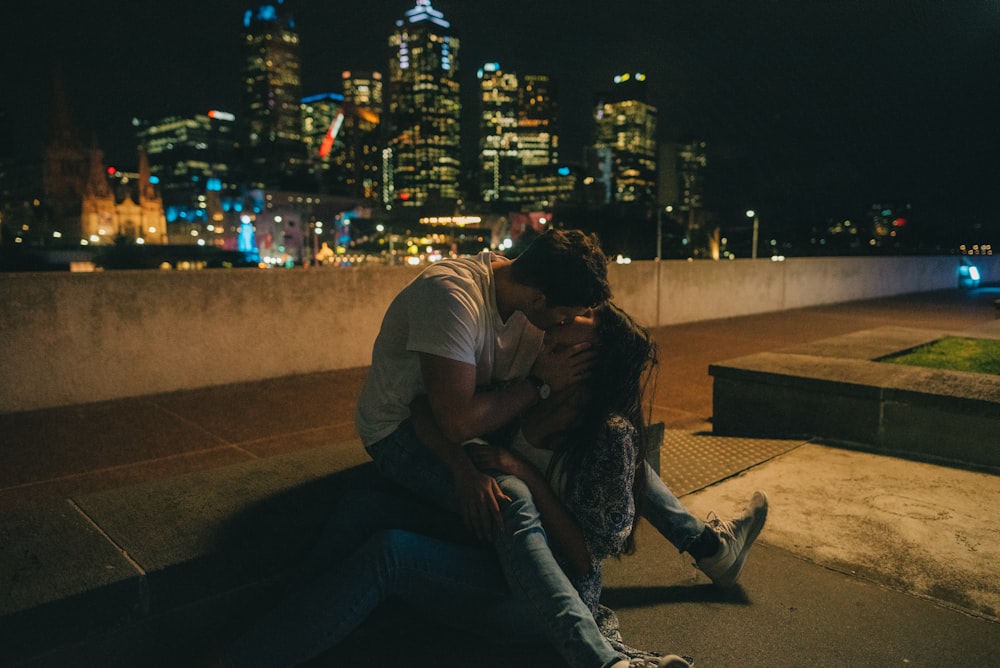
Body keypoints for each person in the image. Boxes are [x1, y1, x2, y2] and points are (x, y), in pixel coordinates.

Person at [224, 302, 692, 668]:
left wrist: (523, 472)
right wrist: (465, 471)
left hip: (542, 597)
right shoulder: (532, 392)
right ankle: (293, 623)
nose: (572, 315)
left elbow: (585, 558)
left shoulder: (609, 437)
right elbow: (426, 409)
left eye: (589, 319)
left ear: (593, 356)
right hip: (489, 546)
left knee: (392, 551)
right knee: (363, 508)